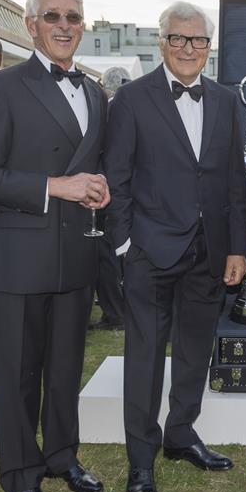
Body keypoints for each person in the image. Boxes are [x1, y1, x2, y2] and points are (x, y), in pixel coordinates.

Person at [0, 0, 108, 492]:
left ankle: (62, 456)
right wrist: (54, 185)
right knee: (19, 375)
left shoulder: (94, 90)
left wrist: (101, 184)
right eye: (53, 17)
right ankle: (21, 476)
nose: (65, 25)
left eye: (74, 16)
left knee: (66, 369)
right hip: (16, 259)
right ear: (30, 26)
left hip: (76, 256)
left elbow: (95, 161)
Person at [104, 1, 246, 492]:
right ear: (161, 42)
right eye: (179, 39)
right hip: (149, 252)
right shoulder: (130, 99)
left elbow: (236, 180)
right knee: (145, 359)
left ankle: (181, 433)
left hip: (209, 253)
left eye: (199, 40)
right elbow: (116, 178)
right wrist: (125, 245)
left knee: (194, 351)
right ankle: (140, 461)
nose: (189, 48)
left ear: (210, 47)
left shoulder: (228, 100)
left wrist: (238, 246)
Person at [87, 66, 133, 332]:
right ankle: (115, 311)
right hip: (115, 191)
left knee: (106, 256)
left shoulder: (111, 107)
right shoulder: (131, 104)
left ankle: (115, 312)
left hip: (107, 192)